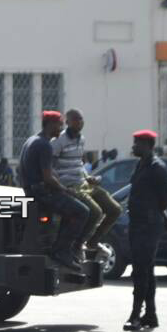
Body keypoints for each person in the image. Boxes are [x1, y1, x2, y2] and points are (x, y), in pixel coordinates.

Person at [18, 110, 89, 270]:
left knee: (71, 209)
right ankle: (62, 251)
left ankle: (61, 248)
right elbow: (48, 178)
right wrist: (65, 190)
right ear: (50, 124)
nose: (61, 128)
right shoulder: (44, 145)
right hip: (42, 193)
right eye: (60, 125)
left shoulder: (32, 140)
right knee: (82, 212)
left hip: (31, 191)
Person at [51, 109, 122, 261]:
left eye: (81, 119)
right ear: (68, 122)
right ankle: (78, 244)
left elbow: (79, 164)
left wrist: (89, 177)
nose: (80, 122)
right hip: (69, 185)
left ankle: (93, 242)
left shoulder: (81, 139)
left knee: (114, 209)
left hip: (83, 182)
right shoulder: (58, 141)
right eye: (76, 119)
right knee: (95, 211)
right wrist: (61, 185)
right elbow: (50, 167)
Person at [124, 130, 167, 332]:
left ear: (147, 145)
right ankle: (151, 314)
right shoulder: (142, 165)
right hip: (138, 223)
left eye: (136, 143)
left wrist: (155, 211)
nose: (133, 147)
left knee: (140, 270)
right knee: (146, 270)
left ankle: (136, 315)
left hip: (148, 224)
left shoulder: (157, 168)